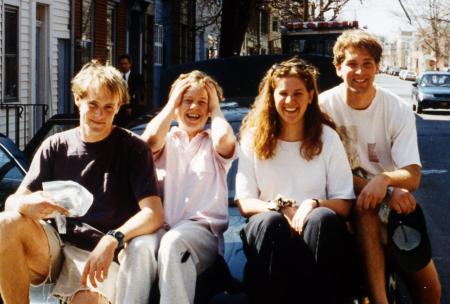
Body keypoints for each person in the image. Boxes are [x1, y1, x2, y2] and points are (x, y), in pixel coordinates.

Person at [0, 60, 164, 304]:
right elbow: (14, 202)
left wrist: (114, 238)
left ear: (119, 106)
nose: (100, 115)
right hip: (54, 245)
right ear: (78, 99)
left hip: (99, 250)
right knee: (6, 222)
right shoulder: (55, 146)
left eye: (109, 107)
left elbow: (153, 214)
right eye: (93, 105)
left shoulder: (133, 148)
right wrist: (28, 205)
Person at [319, 29, 441, 304]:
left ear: (377, 67)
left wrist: (385, 181)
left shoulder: (396, 108)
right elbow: (324, 170)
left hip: (389, 200)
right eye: (351, 64)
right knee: (366, 209)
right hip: (337, 197)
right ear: (338, 67)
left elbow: (412, 174)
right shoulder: (322, 107)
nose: (359, 71)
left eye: (367, 64)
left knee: (430, 289)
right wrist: (384, 189)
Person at [235, 57, 355, 303]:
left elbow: (343, 203)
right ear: (272, 96)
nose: (290, 101)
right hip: (269, 233)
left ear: (311, 96)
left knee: (322, 219)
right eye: (283, 93)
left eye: (298, 93)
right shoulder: (252, 138)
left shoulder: (328, 138)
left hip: (315, 234)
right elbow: (245, 203)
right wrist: (278, 207)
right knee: (270, 222)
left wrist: (311, 204)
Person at [116, 70, 237, 303]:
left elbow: (224, 141)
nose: (194, 107)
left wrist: (216, 108)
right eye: (187, 100)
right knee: (138, 247)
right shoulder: (165, 139)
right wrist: (171, 103)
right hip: (159, 228)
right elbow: (149, 141)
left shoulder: (213, 141)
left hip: (200, 232)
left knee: (174, 243)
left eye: (202, 102)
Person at [115, 54, 145, 126]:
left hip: (132, 110)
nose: (123, 66)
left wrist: (132, 107)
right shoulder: (116, 77)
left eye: (125, 64)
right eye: (121, 64)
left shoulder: (137, 77)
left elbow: (140, 95)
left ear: (130, 64)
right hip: (118, 110)